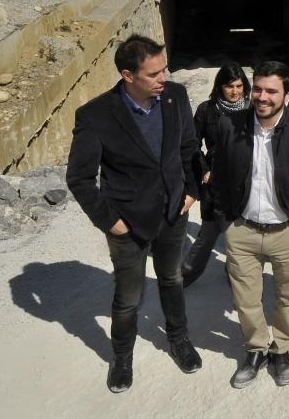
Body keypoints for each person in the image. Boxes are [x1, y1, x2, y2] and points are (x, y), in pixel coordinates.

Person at [66, 34, 203, 393]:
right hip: (127, 222)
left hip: (174, 212)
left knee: (172, 279)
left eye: (164, 69)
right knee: (128, 296)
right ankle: (122, 357)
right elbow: (80, 179)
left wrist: (192, 191)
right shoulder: (95, 115)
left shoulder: (175, 96)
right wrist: (111, 221)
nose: (164, 78)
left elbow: (189, 146)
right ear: (128, 75)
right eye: (154, 73)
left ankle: (179, 339)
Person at [209, 61, 289, 389]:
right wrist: (225, 223)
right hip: (242, 230)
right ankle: (257, 348)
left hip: (288, 232)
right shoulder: (229, 124)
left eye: (271, 91)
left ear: (286, 95)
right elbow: (218, 177)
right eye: (257, 88)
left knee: (287, 297)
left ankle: (282, 348)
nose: (262, 96)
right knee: (246, 300)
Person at [181, 62, 251, 287]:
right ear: (220, 86)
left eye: (239, 86)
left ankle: (235, 275)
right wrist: (204, 169)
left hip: (244, 180)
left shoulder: (252, 108)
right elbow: (192, 143)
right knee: (208, 232)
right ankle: (184, 278)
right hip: (214, 180)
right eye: (230, 86)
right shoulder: (206, 110)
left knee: (241, 233)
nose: (235, 91)